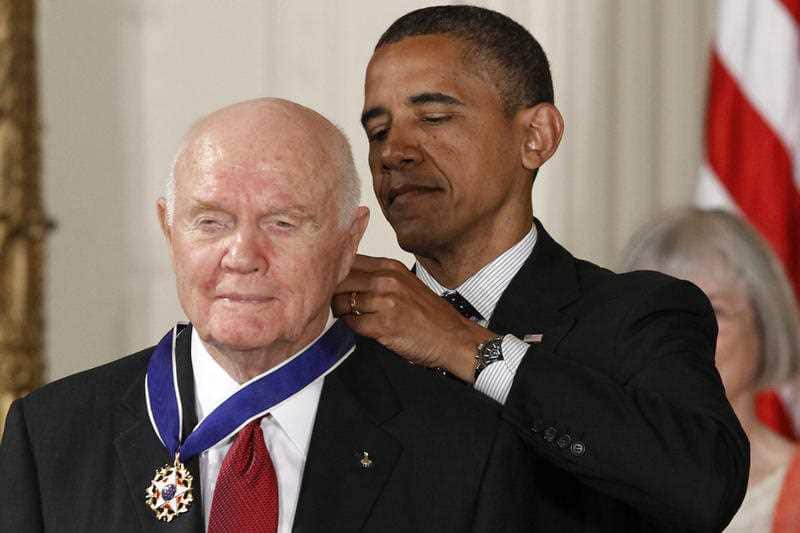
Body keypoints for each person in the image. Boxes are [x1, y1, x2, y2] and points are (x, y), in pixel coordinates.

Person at [0, 98, 536, 532]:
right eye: (210, 221)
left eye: (282, 223)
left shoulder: (463, 447)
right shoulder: (52, 435)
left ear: (348, 241)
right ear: (169, 229)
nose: (243, 256)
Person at [331, 5, 749, 531]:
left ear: (537, 136)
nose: (394, 153)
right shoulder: (341, 338)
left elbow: (703, 485)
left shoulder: (637, 315)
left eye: (434, 118)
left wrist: (462, 344)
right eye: (378, 132)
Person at [620, 208, 800, 532]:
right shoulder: (598, 475)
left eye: (714, 311)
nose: (687, 333)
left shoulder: (794, 493)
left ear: (764, 325)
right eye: (663, 314)